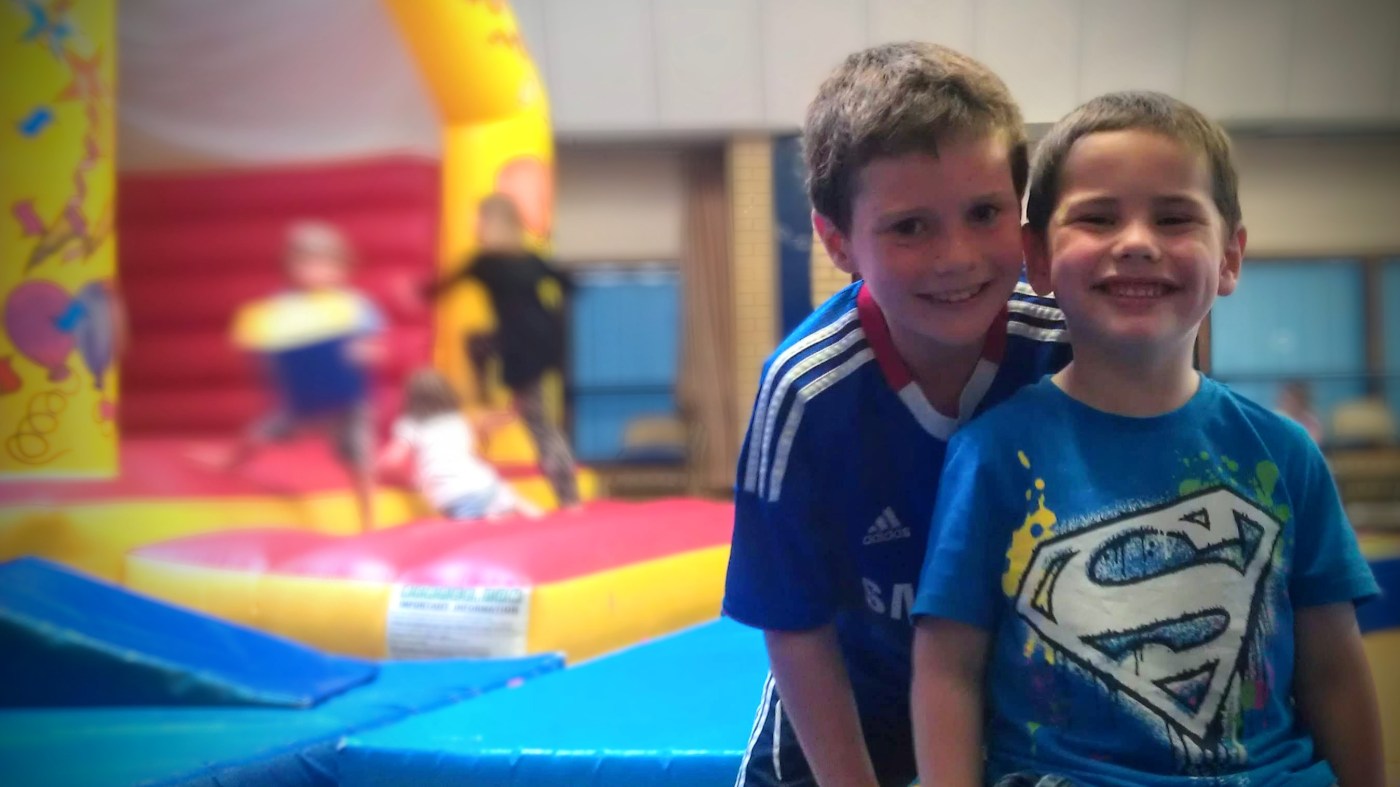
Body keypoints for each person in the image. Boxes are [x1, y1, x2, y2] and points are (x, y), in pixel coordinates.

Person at [911, 91, 1383, 787]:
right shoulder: (993, 455)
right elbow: (948, 669)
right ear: (1038, 257)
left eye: (1174, 218)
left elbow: (1335, 670)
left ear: (1230, 257)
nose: (1136, 241)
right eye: (1098, 217)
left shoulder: (1284, 455)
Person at [724, 42, 1072, 787]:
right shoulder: (806, 391)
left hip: (1022, 704)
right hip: (854, 705)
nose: (957, 255)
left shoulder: (1064, 347)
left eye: (985, 213)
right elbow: (794, 622)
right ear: (837, 242)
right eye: (910, 227)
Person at [222, 221, 384, 532]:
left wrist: (363, 352)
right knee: (258, 433)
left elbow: (375, 346)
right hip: (300, 401)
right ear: (291, 267)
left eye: (326, 264)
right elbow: (252, 339)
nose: (317, 272)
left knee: (361, 458)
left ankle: (369, 522)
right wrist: (253, 341)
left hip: (348, 402)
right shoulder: (281, 307)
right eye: (307, 264)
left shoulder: (352, 306)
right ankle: (230, 461)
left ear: (342, 268)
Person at [431, 193, 580, 510]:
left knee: (539, 425)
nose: (474, 225)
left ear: (490, 223)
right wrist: (550, 319)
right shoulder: (531, 259)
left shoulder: (485, 262)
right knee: (479, 344)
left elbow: (441, 288)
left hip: (519, 346)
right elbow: (570, 284)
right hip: (540, 341)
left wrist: (413, 292)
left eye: (478, 220)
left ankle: (569, 498)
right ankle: (492, 396)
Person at [379, 369, 540, 521]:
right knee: (507, 500)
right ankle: (531, 516)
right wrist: (511, 413)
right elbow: (487, 423)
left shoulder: (411, 425)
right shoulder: (458, 419)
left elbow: (391, 462)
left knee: (474, 525)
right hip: (486, 484)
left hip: (453, 495)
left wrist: (414, 482)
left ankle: (494, 515)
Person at [1275, 379, 1324, 444]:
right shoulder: (1275, 418)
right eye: (1288, 399)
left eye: (1296, 399)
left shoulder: (1312, 422)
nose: (1292, 403)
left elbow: (1313, 444)